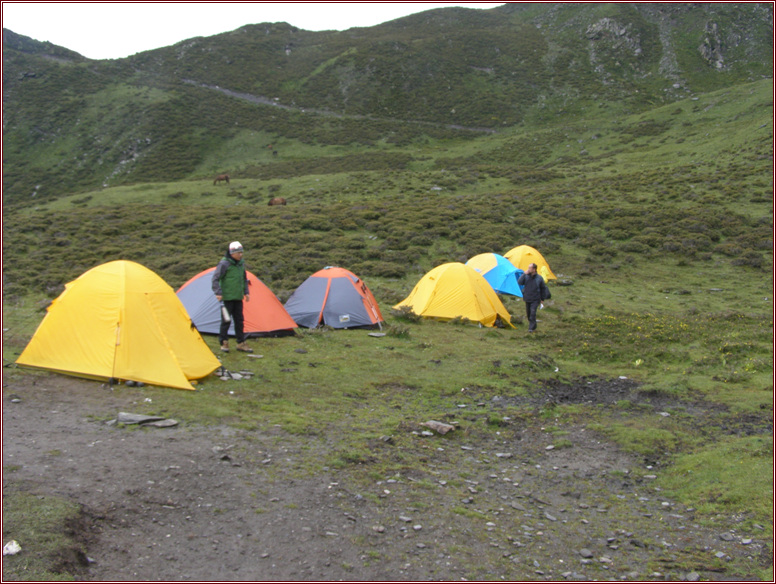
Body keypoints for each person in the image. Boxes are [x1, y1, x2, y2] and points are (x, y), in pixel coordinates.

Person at [212, 241, 253, 352]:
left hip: (238, 297)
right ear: (232, 253)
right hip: (227, 297)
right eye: (238, 253)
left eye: (241, 253)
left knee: (239, 320)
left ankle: (241, 342)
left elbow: (244, 279)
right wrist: (218, 292)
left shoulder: (240, 264)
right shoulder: (224, 264)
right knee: (226, 320)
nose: (241, 255)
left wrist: (246, 291)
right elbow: (215, 279)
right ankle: (224, 342)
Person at [517, 262, 550, 333]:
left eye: (530, 268)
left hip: (536, 299)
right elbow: (519, 282)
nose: (528, 269)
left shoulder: (539, 278)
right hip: (527, 298)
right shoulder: (526, 276)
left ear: (534, 269)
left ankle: (531, 328)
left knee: (533, 312)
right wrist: (524, 274)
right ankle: (533, 325)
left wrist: (542, 298)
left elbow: (543, 288)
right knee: (528, 314)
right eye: (528, 268)